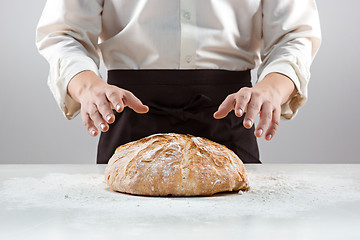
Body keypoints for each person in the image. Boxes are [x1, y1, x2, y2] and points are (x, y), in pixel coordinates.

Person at [36, 0, 321, 164]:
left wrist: (270, 89)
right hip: (125, 117)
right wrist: (88, 86)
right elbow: (64, 34)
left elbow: (294, 36)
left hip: (232, 115)